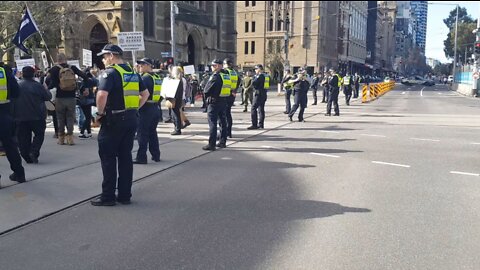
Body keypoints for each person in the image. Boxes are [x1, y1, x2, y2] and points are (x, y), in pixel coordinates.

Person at [91, 44, 149, 206]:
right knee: (125, 157)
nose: (103, 60)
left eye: (104, 56)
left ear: (111, 55)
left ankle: (108, 196)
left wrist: (99, 114)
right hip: (131, 119)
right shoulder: (132, 72)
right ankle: (124, 195)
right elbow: (145, 94)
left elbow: (102, 95)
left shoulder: (110, 73)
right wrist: (134, 108)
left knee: (108, 158)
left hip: (113, 120)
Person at [45, 53, 90, 146]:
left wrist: (47, 89)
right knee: (70, 117)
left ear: (57, 59)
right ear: (66, 59)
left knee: (60, 118)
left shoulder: (54, 69)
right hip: (71, 97)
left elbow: (51, 83)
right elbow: (85, 77)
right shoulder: (72, 67)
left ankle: (61, 138)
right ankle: (70, 138)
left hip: (59, 98)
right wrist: (85, 88)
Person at [14, 66, 52, 164]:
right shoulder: (37, 86)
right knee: (39, 134)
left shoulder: (17, 85)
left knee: (23, 137)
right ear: (33, 74)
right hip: (37, 116)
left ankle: (26, 154)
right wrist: (46, 88)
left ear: (22, 73)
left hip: (21, 116)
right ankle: (33, 152)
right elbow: (48, 97)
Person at [0, 62, 26, 183]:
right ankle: (19, 173)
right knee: (10, 146)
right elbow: (16, 92)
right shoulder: (5, 72)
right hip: (5, 113)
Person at [133, 58, 162, 164]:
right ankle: (156, 155)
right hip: (155, 107)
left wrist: (137, 107)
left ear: (148, 65)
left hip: (145, 108)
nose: (140, 66)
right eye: (139, 65)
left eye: (142, 65)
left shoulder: (144, 78)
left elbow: (141, 94)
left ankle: (141, 157)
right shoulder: (157, 77)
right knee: (152, 132)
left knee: (142, 133)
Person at [202, 59, 229, 151]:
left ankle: (211, 144)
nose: (211, 67)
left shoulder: (215, 76)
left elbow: (206, 90)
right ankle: (222, 142)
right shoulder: (226, 75)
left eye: (213, 65)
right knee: (223, 122)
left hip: (214, 102)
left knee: (212, 123)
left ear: (218, 66)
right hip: (223, 100)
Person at [78, 70, 97, 139]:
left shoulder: (81, 82)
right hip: (87, 101)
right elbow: (96, 81)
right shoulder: (88, 82)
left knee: (87, 117)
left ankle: (89, 133)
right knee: (88, 117)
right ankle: (82, 132)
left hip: (82, 102)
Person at [247, 64, 267, 130]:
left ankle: (254, 124)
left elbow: (254, 83)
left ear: (259, 69)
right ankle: (261, 124)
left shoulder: (260, 76)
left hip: (259, 93)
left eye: (256, 69)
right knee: (261, 109)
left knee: (253, 108)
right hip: (264, 93)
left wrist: (253, 79)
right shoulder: (265, 75)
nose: (255, 71)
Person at [222, 58, 238, 138]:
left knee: (224, 114)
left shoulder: (226, 72)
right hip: (232, 94)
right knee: (228, 113)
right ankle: (229, 132)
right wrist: (234, 91)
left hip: (226, 94)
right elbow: (238, 82)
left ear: (225, 64)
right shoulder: (234, 72)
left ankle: (225, 132)